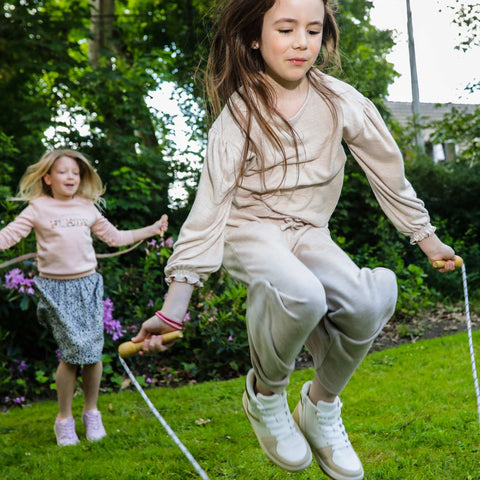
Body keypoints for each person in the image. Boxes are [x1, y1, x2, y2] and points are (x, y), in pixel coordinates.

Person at [132, 0, 460, 478]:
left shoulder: (340, 100)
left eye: (313, 29)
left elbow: (388, 172)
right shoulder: (240, 114)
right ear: (254, 38)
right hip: (248, 230)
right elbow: (210, 206)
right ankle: (265, 396)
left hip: (308, 232)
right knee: (302, 295)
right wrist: (174, 306)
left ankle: (321, 406)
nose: (302, 42)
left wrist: (426, 239)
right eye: (285, 29)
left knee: (372, 298)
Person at [0, 149, 168, 447]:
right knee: (73, 350)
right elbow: (8, 236)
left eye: (76, 173)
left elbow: (115, 238)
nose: (71, 177)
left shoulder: (87, 207)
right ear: (48, 178)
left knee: (91, 352)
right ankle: (64, 419)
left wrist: (152, 229)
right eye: (63, 172)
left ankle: (91, 412)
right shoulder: (37, 208)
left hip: (87, 285)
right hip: (55, 289)